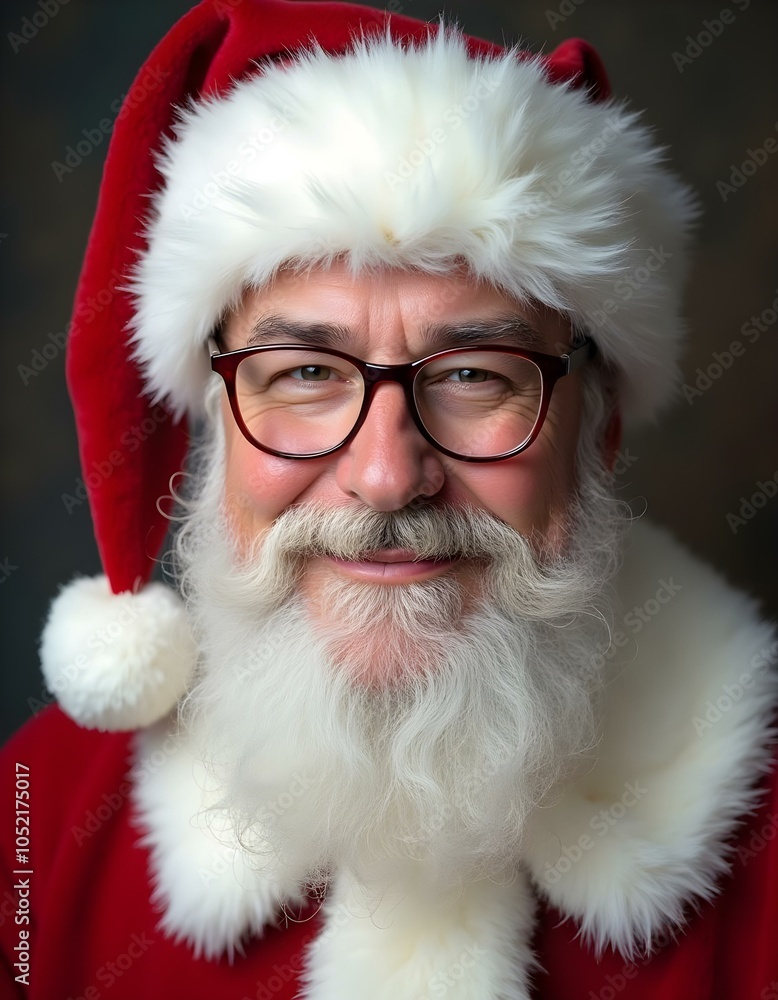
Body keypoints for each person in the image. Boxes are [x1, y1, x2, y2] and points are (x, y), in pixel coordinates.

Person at [1, 0, 776, 997]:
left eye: (475, 375)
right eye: (304, 374)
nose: (385, 473)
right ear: (215, 421)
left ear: (599, 424)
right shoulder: (39, 818)